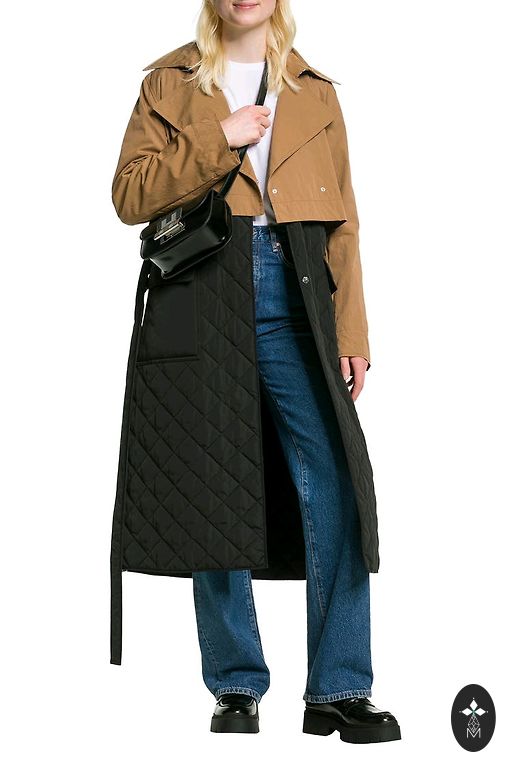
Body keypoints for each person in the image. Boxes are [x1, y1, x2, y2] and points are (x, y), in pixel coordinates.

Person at [110, 0, 401, 743]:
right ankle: (235, 684)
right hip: (203, 287)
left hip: (294, 285)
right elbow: (129, 195)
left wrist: (352, 330)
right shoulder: (169, 82)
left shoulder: (314, 91)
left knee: (334, 476)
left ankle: (339, 686)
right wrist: (220, 137)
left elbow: (345, 223)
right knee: (216, 486)